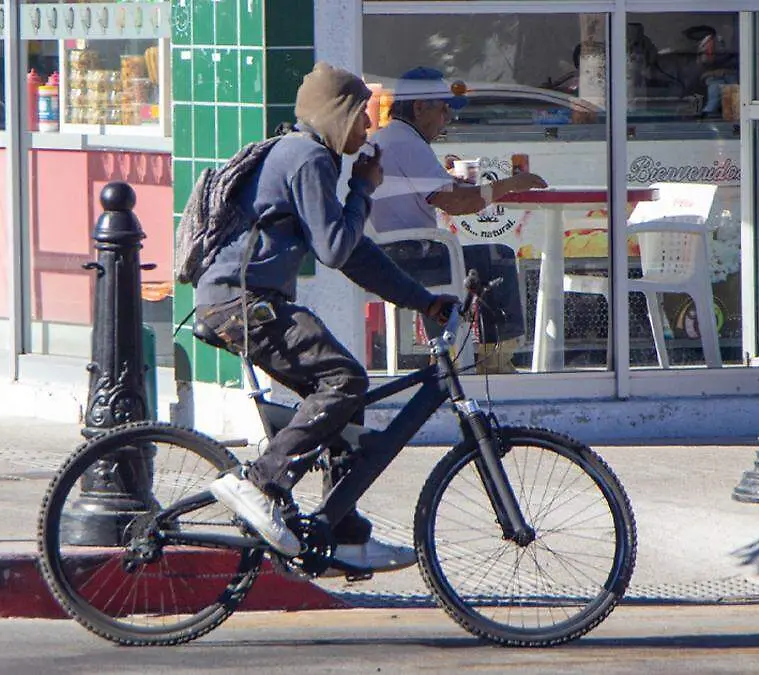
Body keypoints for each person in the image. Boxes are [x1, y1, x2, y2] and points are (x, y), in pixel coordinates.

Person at [197, 62, 456, 572]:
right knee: (342, 380)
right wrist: (363, 189)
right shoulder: (307, 157)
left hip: (248, 302)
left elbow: (353, 251)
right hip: (240, 303)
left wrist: (421, 299)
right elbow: (337, 249)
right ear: (340, 114)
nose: (369, 130)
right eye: (364, 117)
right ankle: (260, 483)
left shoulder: (309, 156)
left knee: (342, 405)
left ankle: (342, 535)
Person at [368, 67, 548, 373]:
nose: (448, 118)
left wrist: (454, 180)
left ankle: (448, 356)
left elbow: (442, 191)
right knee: (496, 256)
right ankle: (493, 361)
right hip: (405, 257)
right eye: (443, 109)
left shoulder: (391, 138)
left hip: (386, 254)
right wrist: (510, 185)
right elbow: (459, 203)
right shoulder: (407, 144)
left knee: (463, 257)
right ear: (419, 107)